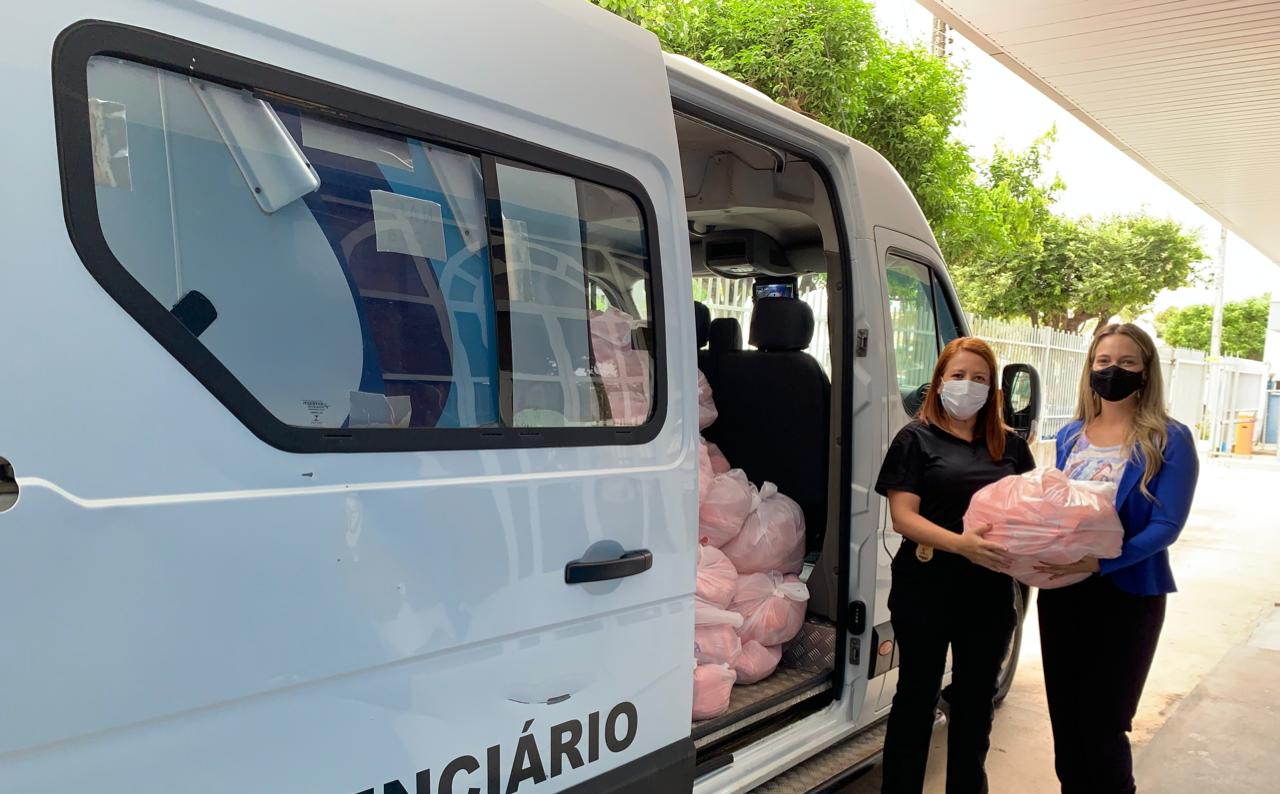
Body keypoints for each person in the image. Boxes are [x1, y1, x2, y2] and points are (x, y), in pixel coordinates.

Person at [1034, 323, 1199, 794]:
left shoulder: (1169, 438)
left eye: (1127, 363)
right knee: (1066, 722)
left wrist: (1100, 563)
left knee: (1104, 725)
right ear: (1090, 369)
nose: (1114, 371)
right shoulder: (1071, 436)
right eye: (1104, 362)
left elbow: (1166, 527)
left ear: (1145, 372)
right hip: (1064, 593)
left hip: (1127, 596)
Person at [875, 337, 1035, 794]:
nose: (968, 386)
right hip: (925, 587)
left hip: (988, 592)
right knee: (916, 697)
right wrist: (962, 545)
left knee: (974, 702)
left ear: (994, 390)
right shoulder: (915, 439)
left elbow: (1030, 510)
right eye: (959, 375)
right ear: (940, 380)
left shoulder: (1011, 447)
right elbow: (904, 517)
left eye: (980, 379)